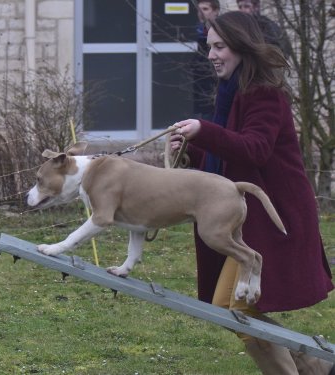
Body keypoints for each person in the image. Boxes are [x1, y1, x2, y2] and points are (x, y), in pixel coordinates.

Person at [171, 11, 334, 374]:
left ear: (243, 48)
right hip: (247, 218)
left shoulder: (265, 95)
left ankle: (306, 366)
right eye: (209, 46)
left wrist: (204, 130)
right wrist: (191, 148)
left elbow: (255, 149)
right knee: (232, 309)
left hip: (276, 219)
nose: (211, 54)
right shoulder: (231, 94)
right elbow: (229, 159)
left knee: (237, 308)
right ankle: (314, 364)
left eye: (220, 46)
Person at [192, 0, 220, 120]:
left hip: (214, 78)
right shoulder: (197, 30)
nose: (201, 13)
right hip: (199, 77)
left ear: (216, 11)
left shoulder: (222, 32)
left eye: (205, 9)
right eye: (199, 10)